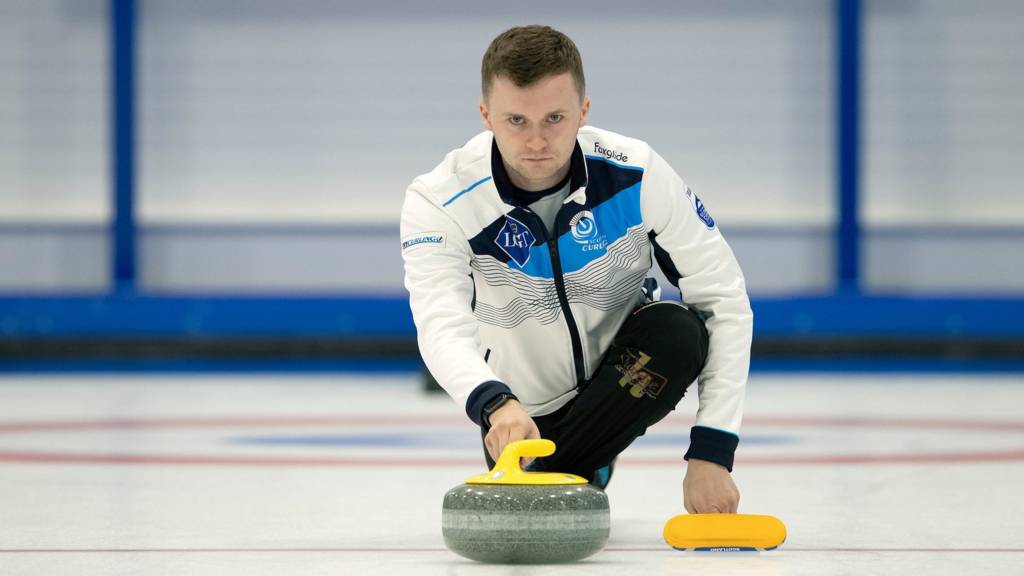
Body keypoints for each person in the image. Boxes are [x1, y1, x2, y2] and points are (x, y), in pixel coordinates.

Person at [400, 25, 752, 514]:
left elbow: (724, 297)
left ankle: (572, 466)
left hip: (624, 376)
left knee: (679, 331)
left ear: (584, 110)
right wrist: (491, 402)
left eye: (555, 117)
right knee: (527, 431)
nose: (537, 140)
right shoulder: (438, 200)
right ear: (486, 116)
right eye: (516, 120)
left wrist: (713, 453)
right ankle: (581, 464)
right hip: (518, 413)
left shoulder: (637, 173)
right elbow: (439, 321)